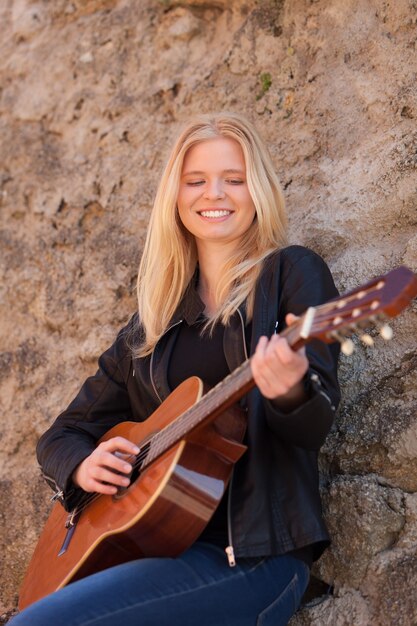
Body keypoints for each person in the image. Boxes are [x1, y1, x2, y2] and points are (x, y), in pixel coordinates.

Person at [13, 112, 340, 626]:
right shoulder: (154, 321)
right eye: (197, 181)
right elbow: (62, 434)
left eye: (234, 179)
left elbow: (314, 426)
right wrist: (81, 467)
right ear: (176, 196)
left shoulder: (291, 276)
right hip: (152, 555)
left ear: (257, 189)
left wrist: (290, 390)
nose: (216, 194)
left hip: (255, 560)